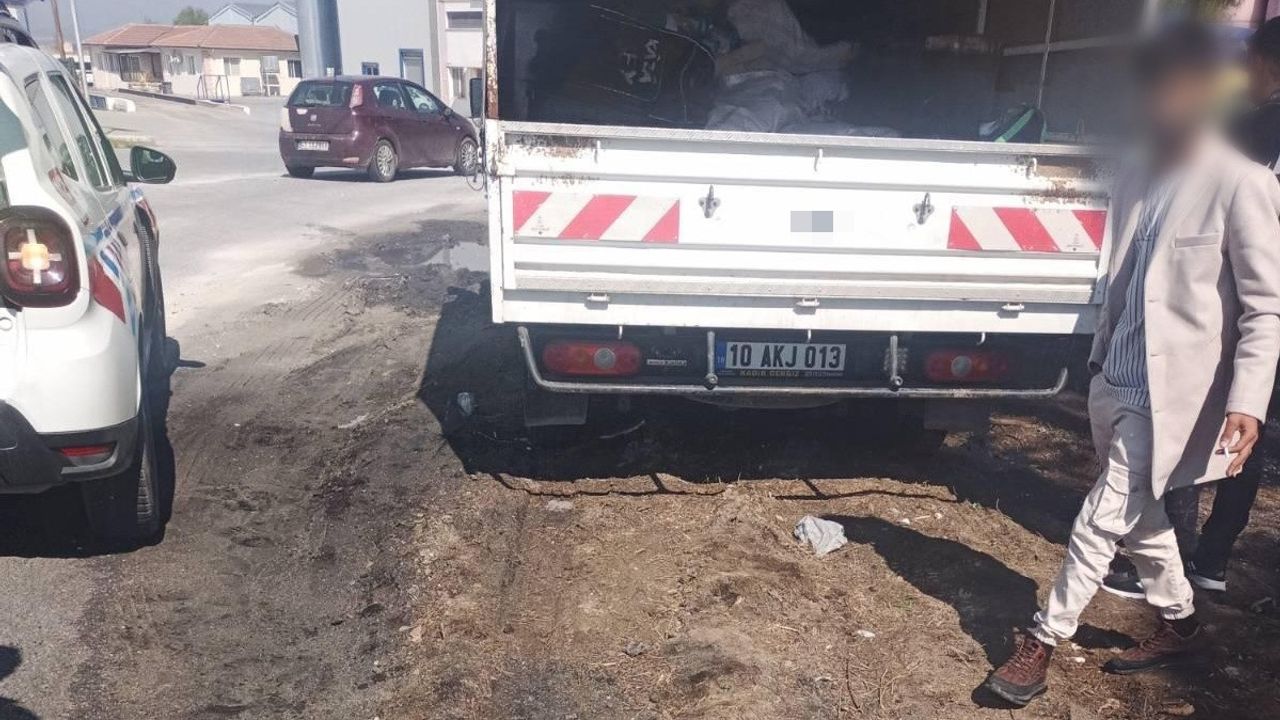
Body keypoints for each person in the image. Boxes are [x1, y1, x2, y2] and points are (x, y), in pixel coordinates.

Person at [983, 24, 1280, 708]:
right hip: (1114, 378)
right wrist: (1097, 362)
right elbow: (1122, 279)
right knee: (1140, 513)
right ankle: (1181, 624)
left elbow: (1266, 307)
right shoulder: (1138, 173)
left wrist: (1248, 400)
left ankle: (1042, 641)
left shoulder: (1244, 183)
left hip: (1173, 394)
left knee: (1102, 514)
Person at [1101, 17, 1280, 601]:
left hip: (1231, 307)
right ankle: (1212, 560)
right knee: (1245, 428)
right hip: (1261, 312)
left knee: (1193, 421)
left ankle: (1163, 558)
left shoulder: (1247, 138)